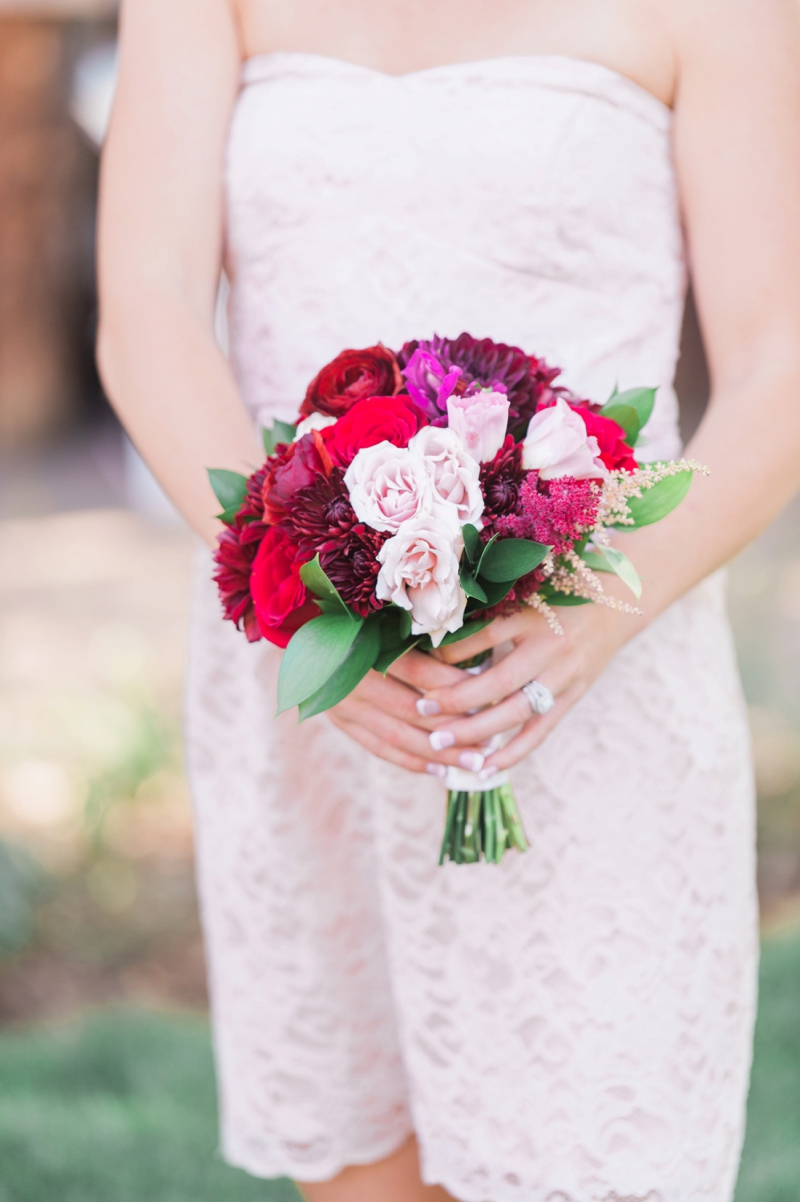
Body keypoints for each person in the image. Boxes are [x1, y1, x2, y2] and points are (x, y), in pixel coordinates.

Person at [96, 1, 800, 1199]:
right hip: (319, 674)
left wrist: (591, 622)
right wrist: (293, 608)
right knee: (360, 1164)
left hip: (585, 674)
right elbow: (147, 308)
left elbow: (779, 353)